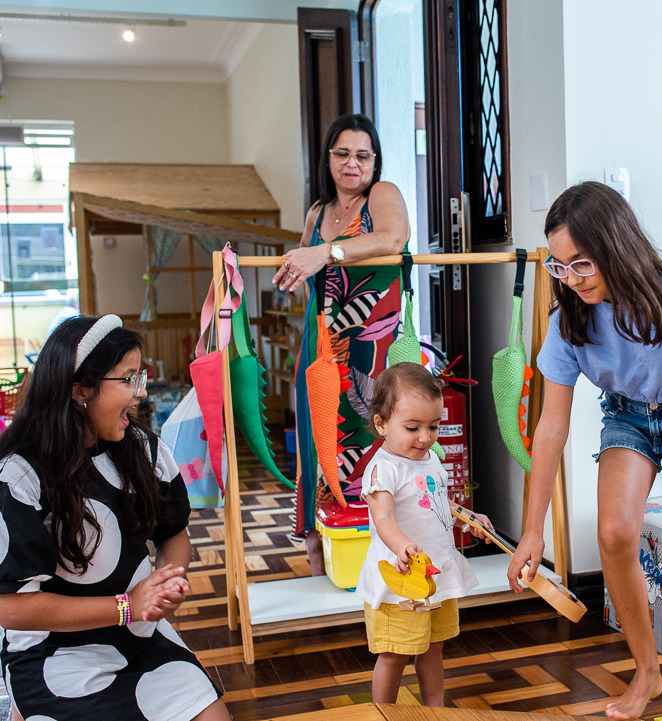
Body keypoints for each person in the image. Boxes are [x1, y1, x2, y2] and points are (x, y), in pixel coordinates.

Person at [508, 181, 662, 721]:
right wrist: (532, 531)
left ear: (617, 247)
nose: (570, 279)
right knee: (614, 532)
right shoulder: (569, 319)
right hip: (627, 416)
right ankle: (646, 671)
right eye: (559, 266)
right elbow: (550, 428)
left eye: (582, 264)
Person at [0, 314, 228, 720]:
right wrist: (126, 606)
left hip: (138, 635)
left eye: (139, 378)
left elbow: (174, 532)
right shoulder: (20, 476)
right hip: (54, 652)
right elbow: (10, 607)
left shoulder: (142, 449)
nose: (139, 394)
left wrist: (166, 582)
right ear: (79, 391)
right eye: (127, 380)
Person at [271, 113, 410, 574]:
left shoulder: (381, 196)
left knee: (372, 438)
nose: (353, 163)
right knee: (318, 442)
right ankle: (320, 553)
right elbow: (304, 269)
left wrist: (325, 253)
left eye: (363, 155)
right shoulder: (316, 212)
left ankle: (382, 558)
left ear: (375, 161)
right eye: (342, 153)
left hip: (372, 349)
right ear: (328, 158)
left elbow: (394, 237)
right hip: (320, 343)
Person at [355, 362, 493, 705]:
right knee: (394, 654)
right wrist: (402, 546)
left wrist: (467, 518)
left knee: (434, 647)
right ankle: (383, 713)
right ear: (381, 424)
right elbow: (383, 517)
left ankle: (435, 709)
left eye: (433, 426)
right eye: (413, 427)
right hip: (400, 582)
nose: (425, 437)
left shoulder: (429, 458)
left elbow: (435, 501)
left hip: (435, 576)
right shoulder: (381, 469)